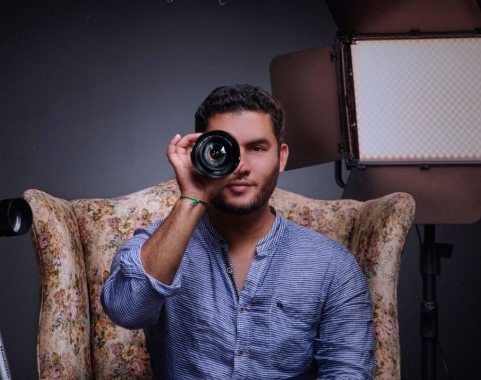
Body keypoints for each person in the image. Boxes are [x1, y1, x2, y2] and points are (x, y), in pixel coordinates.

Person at [101, 84, 374, 379]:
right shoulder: (155, 244)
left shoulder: (332, 265)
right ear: (200, 155)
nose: (240, 166)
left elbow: (349, 371)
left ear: (281, 157)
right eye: (223, 150)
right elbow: (126, 311)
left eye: (257, 148)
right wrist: (192, 197)